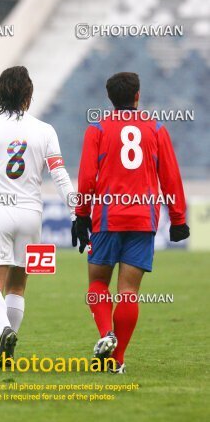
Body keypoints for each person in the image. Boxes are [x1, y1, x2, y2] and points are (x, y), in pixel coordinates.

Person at [73, 72, 190, 373]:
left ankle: (105, 335)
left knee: (98, 282)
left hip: (107, 218)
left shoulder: (96, 129)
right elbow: (171, 176)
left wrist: (82, 214)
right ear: (137, 95)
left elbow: (86, 178)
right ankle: (118, 360)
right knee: (129, 292)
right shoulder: (156, 128)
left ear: (109, 98)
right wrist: (178, 219)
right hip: (142, 217)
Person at [0, 66, 75, 363]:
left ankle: (4, 331)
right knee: (18, 286)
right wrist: (76, 214)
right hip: (31, 214)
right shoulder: (45, 130)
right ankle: (2, 352)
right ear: (28, 94)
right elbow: (60, 176)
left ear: (0, 92)